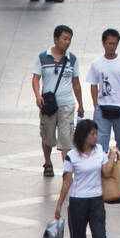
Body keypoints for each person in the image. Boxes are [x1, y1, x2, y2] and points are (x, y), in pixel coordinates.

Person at [54, 118, 119, 238]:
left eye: (96, 133)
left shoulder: (98, 150)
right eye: (92, 134)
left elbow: (106, 172)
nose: (96, 137)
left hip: (96, 200)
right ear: (83, 136)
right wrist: (59, 204)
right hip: (78, 202)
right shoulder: (71, 156)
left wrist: (112, 155)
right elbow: (67, 181)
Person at [32, 25, 84, 176]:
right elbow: (35, 78)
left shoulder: (72, 59)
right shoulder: (43, 57)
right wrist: (37, 95)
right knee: (47, 137)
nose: (67, 42)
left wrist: (80, 104)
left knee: (66, 139)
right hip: (48, 105)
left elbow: (76, 83)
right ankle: (47, 162)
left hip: (67, 105)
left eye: (69, 40)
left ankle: (67, 170)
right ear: (56, 39)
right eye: (64, 39)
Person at [86, 29, 120, 157]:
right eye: (109, 43)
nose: (111, 47)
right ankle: (102, 165)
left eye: (114, 44)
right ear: (103, 43)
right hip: (102, 108)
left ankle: (119, 163)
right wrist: (95, 105)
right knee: (99, 142)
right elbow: (93, 85)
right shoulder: (96, 63)